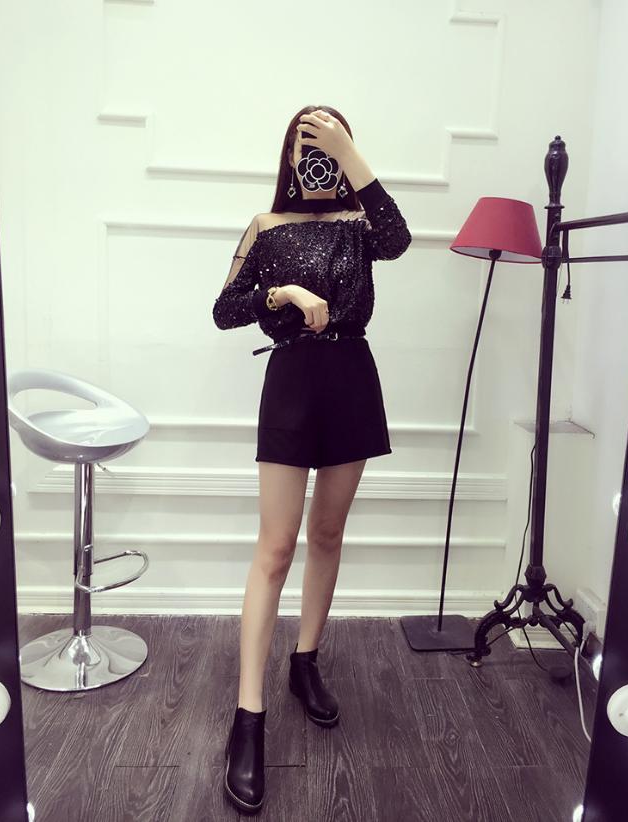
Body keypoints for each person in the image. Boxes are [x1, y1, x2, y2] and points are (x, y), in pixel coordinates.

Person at [213, 105, 411, 814]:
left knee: (327, 533)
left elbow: (400, 238)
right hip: (292, 382)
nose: (320, 160)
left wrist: (350, 154)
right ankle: (248, 718)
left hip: (352, 379)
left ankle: (305, 662)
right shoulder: (265, 226)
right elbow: (225, 309)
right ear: (291, 160)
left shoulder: (362, 227)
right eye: (310, 148)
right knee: (275, 548)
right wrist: (284, 292)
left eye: (331, 148)